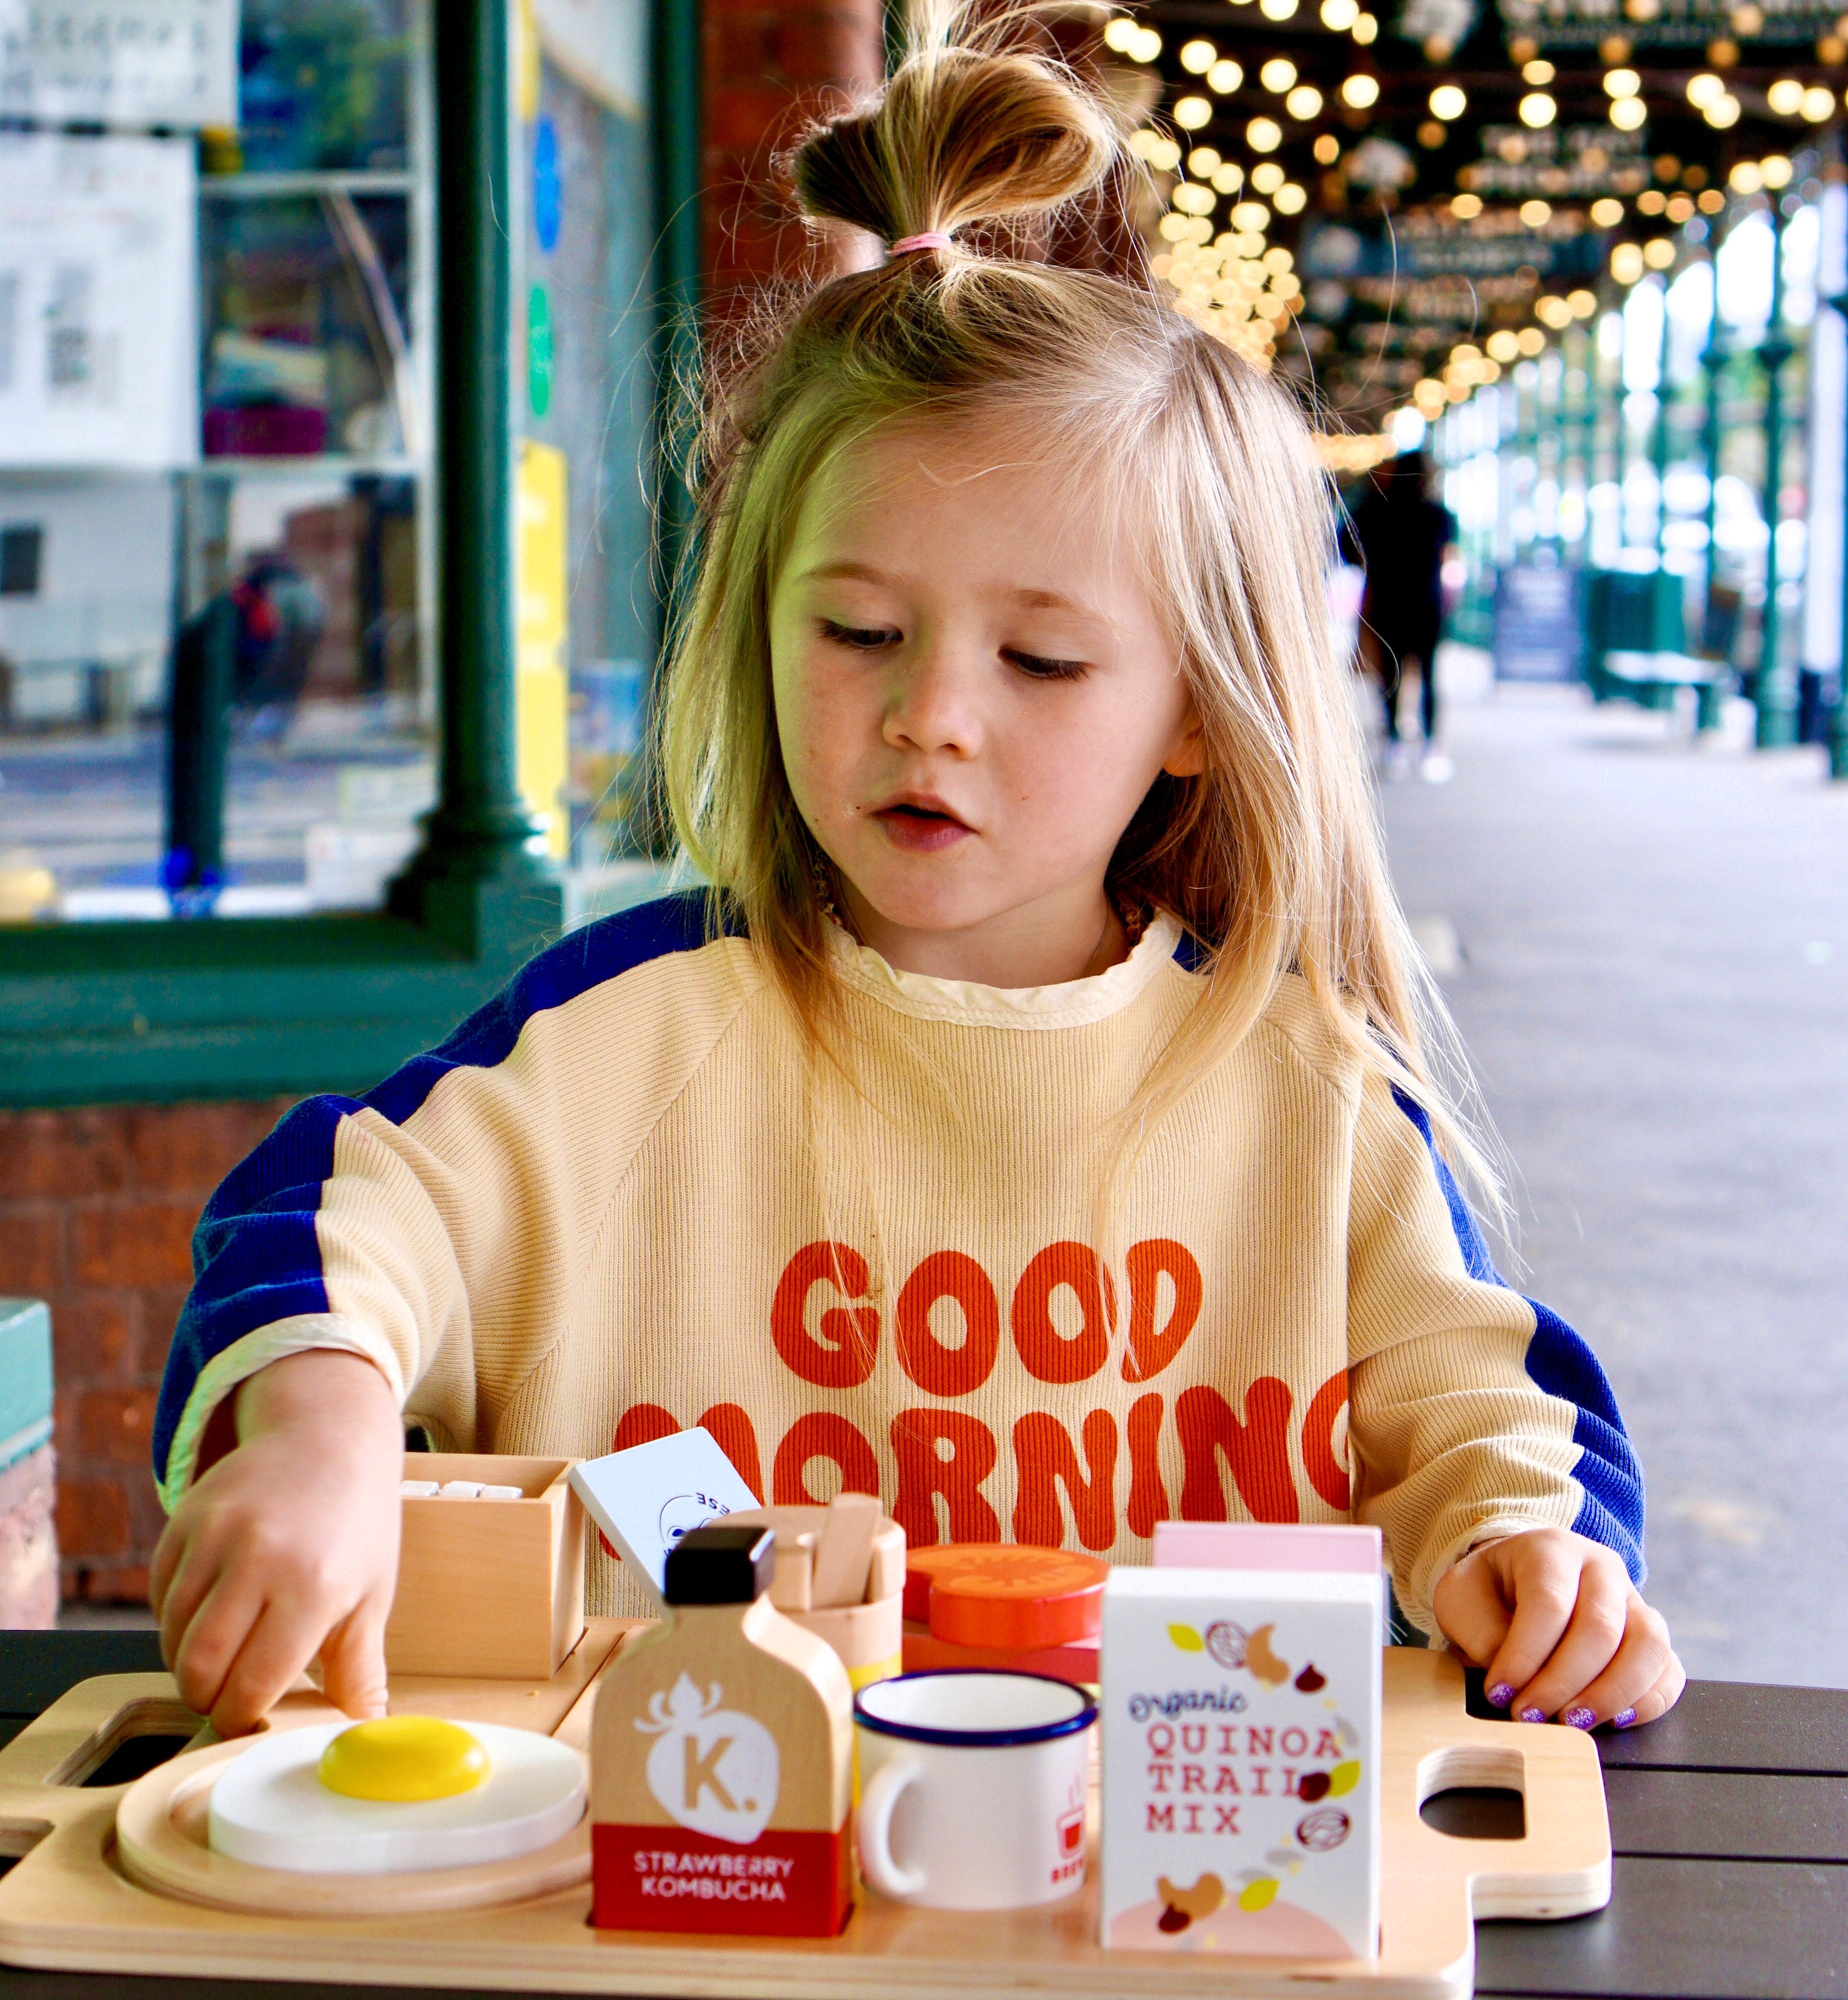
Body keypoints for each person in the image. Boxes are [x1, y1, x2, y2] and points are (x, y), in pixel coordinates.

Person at [149, 2, 1679, 1745]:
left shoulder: (1306, 1089)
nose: (930, 717)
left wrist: (1532, 1559)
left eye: (1041, 663)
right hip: (698, 1879)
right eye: (861, 630)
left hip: (1166, 1906)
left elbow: (1489, 1403)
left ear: (1198, 709)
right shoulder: (627, 1034)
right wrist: (323, 1419)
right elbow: (337, 1216)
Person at [1350, 452, 1456, 781]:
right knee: (1428, 674)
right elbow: (1448, 557)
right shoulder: (1439, 515)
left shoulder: (1375, 510)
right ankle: (1430, 747)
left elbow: (1348, 548)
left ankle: (1394, 743)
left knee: (1390, 677)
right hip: (1427, 605)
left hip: (1387, 604)